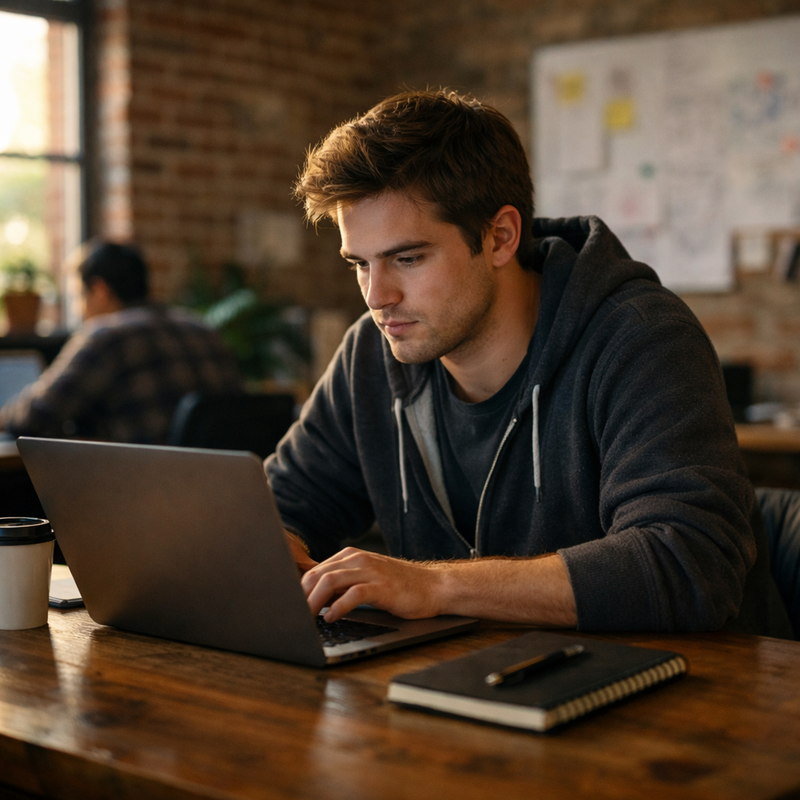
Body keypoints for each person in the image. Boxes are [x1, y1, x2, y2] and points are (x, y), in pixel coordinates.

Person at [267, 89, 792, 637]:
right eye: (360, 263)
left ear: (500, 237)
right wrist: (273, 546)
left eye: (407, 258)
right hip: (475, 688)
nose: (377, 296)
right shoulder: (370, 356)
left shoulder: (641, 337)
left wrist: (436, 586)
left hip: (689, 696)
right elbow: (282, 504)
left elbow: (688, 565)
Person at [0, 241, 243, 444]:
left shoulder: (108, 335)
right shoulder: (202, 328)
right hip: (216, 485)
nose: (79, 310)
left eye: (78, 297)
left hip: (138, 487)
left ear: (100, 290)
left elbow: (36, 416)